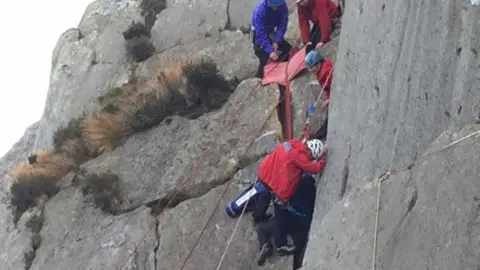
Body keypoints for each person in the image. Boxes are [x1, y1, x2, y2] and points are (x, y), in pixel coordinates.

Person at [251, 139, 327, 256]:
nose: (310, 158)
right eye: (311, 156)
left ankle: (258, 215)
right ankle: (280, 245)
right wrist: (322, 159)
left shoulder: (291, 144)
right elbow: (314, 168)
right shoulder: (299, 158)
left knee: (265, 193)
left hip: (266, 172)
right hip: (277, 188)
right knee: (280, 215)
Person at [254, 173, 317, 268]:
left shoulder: (281, 194)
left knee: (264, 227)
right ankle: (270, 245)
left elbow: (264, 213)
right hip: (304, 213)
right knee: (275, 220)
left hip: (296, 221)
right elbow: (309, 179)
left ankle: (275, 245)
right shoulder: (303, 181)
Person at [251, 0, 292, 78]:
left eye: (277, 6)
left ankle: (284, 69)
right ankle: (261, 76)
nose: (275, 8)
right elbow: (260, 33)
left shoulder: (283, 6)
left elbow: (282, 24)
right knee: (261, 52)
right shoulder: (259, 11)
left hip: (271, 29)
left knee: (287, 49)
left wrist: (277, 40)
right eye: (273, 6)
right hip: (258, 30)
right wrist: (270, 51)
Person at [304, 50, 333, 141]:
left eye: (312, 67)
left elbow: (336, 85)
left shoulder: (328, 71)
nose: (311, 70)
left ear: (318, 64)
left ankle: (315, 139)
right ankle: (315, 137)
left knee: (328, 123)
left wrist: (330, 99)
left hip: (335, 98)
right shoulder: (320, 73)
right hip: (331, 97)